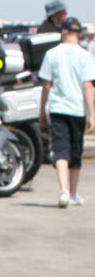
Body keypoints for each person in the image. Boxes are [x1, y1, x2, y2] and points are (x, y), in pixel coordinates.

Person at [38, 16, 95, 206]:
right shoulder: (85, 56)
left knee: (60, 150)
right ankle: (73, 192)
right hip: (78, 109)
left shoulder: (51, 54)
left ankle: (63, 191)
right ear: (79, 34)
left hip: (57, 108)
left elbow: (46, 85)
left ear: (63, 32)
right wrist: (92, 113)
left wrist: (42, 110)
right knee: (75, 151)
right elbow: (88, 86)